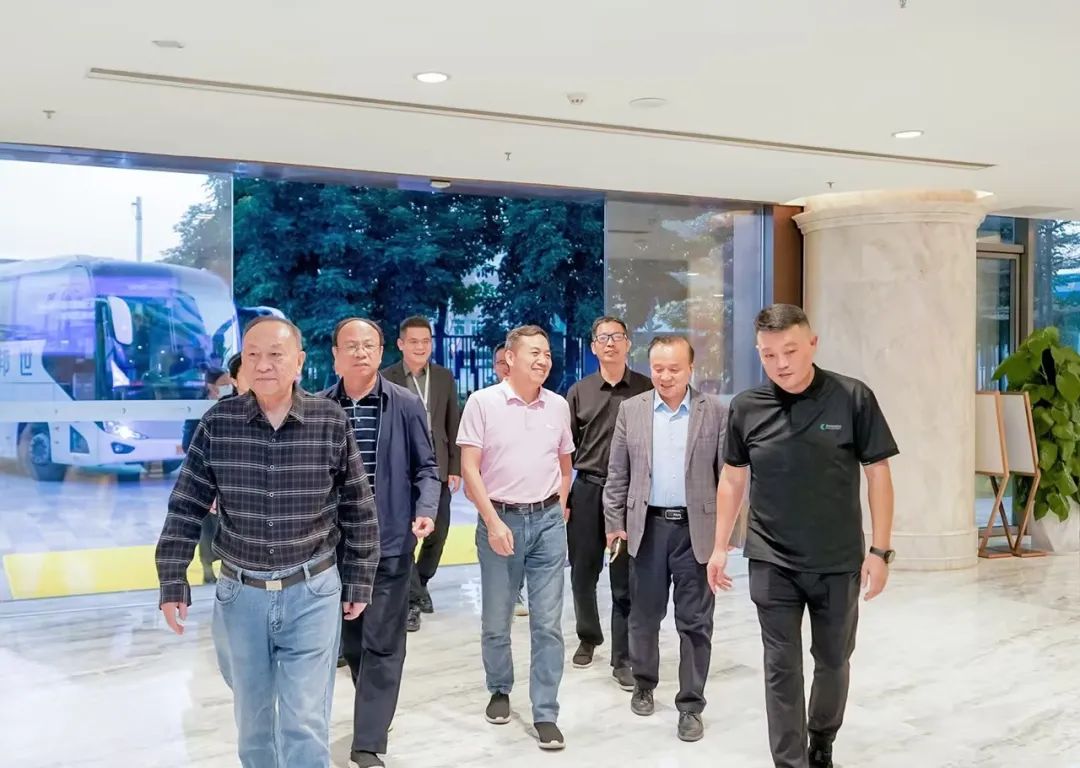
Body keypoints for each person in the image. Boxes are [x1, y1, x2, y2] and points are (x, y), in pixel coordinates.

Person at [155, 317, 380, 768]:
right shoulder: (218, 423)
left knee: (304, 720)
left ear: (299, 362)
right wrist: (172, 578)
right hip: (241, 595)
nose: (263, 365)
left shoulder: (329, 421)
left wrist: (359, 579)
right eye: (253, 355)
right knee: (253, 722)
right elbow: (186, 504)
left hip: (313, 590)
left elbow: (359, 506)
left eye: (275, 354)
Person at [707, 304, 898, 768]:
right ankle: (790, 762)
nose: (781, 363)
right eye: (768, 354)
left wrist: (880, 551)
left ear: (813, 344)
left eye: (790, 351)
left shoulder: (852, 397)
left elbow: (878, 473)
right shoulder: (747, 407)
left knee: (833, 661)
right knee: (781, 666)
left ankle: (822, 739)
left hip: (837, 559)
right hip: (771, 558)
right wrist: (718, 546)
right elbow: (732, 477)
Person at [321, 317, 440, 768]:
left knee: (384, 644)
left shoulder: (404, 404)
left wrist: (425, 508)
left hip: (389, 541)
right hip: (334, 546)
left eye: (369, 345)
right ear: (335, 354)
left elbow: (427, 467)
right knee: (352, 644)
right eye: (351, 345)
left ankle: (367, 742)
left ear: (380, 350)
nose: (360, 352)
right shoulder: (319, 408)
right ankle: (374, 708)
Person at [457, 325, 574, 751]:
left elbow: (565, 467)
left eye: (547, 353)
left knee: (548, 625)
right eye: (534, 353)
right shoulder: (483, 402)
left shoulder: (557, 405)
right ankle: (499, 688)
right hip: (499, 520)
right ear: (510, 357)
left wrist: (558, 508)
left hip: (547, 524)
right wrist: (492, 521)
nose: (543, 360)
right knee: (496, 620)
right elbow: (469, 469)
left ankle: (545, 712)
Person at [603, 335, 726, 742]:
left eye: (674, 368)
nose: (665, 376)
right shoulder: (632, 410)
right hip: (647, 528)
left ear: (691, 369)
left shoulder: (715, 412)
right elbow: (617, 473)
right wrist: (614, 523)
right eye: (658, 368)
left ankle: (691, 705)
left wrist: (726, 537)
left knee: (695, 623)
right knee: (644, 616)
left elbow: (728, 477)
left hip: (696, 531)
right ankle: (643, 683)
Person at [564, 316, 651, 687]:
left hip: (631, 494)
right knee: (583, 572)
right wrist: (563, 495)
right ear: (593, 347)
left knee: (625, 578)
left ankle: (623, 657)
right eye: (603, 338)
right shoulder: (579, 391)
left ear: (628, 343)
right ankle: (588, 636)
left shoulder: (646, 388)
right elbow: (565, 449)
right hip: (588, 489)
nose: (611, 343)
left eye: (618, 336)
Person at [382, 316, 461, 632]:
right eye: (413, 341)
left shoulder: (443, 377)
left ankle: (421, 581)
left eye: (425, 341)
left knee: (438, 534)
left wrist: (454, 466)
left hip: (437, 466)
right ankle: (411, 601)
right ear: (401, 344)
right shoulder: (386, 378)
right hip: (401, 468)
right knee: (404, 537)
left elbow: (452, 421)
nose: (420, 347)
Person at [180, 365, 233, 584]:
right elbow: (188, 444)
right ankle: (207, 567)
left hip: (229, 475)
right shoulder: (198, 408)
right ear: (211, 386)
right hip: (206, 475)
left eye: (230, 382)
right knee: (207, 526)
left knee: (228, 523)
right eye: (223, 384)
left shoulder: (234, 404)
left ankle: (229, 566)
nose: (229, 387)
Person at [490, 342, 528, 617]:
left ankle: (516, 592)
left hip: (527, 489)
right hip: (495, 491)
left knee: (521, 545)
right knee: (498, 546)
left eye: (509, 361)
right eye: (500, 362)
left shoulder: (534, 401)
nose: (505, 367)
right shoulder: (486, 402)